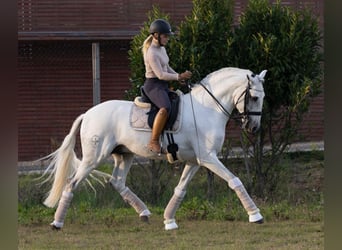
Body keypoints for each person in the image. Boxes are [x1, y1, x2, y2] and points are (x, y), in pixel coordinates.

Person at [142, 19, 192, 154]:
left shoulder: (161, 49)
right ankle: (153, 141)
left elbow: (167, 67)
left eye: (167, 36)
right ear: (156, 35)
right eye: (165, 36)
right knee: (165, 108)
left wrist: (178, 77)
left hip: (163, 85)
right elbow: (160, 75)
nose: (167, 39)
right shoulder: (151, 53)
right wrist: (179, 77)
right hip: (153, 85)